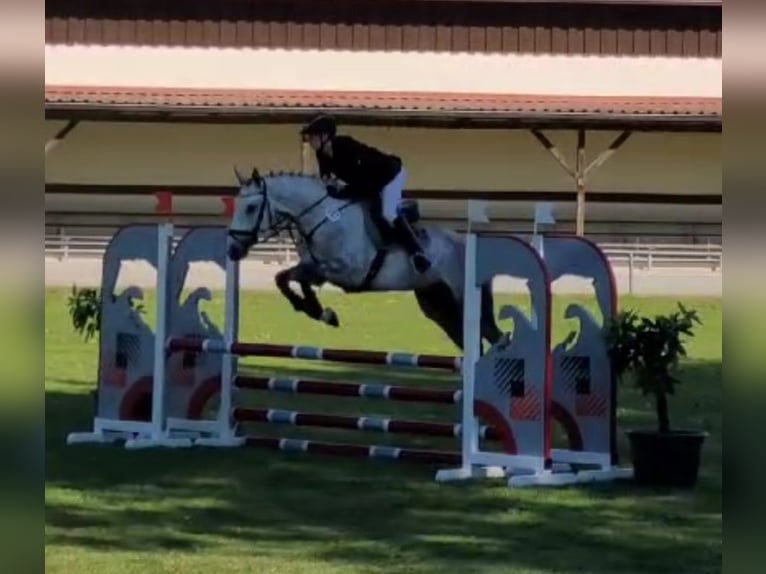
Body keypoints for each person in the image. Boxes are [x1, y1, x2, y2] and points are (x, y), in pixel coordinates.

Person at [300, 113, 431, 274]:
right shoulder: (322, 154)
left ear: (325, 136)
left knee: (387, 212)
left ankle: (417, 254)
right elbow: (327, 180)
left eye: (312, 136)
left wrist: (344, 190)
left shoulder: (345, 146)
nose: (310, 140)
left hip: (390, 175)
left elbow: (363, 181)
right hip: (367, 181)